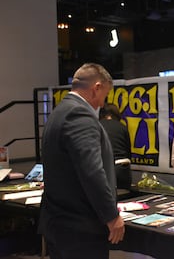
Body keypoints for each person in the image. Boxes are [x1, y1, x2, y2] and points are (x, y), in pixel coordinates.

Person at [38, 63, 125, 259]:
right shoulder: (80, 115)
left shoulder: (59, 112)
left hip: (60, 223)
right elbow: (92, 171)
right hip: (80, 228)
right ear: (97, 88)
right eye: (105, 95)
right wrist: (111, 215)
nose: (103, 103)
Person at [99, 102, 132, 190]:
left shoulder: (98, 126)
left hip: (108, 169)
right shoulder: (122, 127)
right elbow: (128, 151)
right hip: (124, 168)